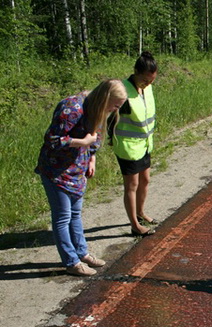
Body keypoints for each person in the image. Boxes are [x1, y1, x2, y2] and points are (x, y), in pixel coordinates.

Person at [35, 79, 127, 277]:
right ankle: (71, 262)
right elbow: (52, 140)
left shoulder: (98, 109)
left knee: (75, 214)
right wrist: (82, 142)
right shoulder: (72, 107)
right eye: (115, 105)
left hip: (77, 170)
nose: (115, 110)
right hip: (56, 171)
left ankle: (82, 253)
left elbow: (96, 135)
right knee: (62, 217)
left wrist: (91, 157)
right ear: (105, 98)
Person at [111, 51, 159, 237]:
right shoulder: (122, 90)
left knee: (145, 180)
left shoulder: (147, 87)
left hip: (145, 144)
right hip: (128, 146)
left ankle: (140, 213)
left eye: (152, 81)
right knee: (132, 185)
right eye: (146, 80)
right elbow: (108, 116)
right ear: (136, 72)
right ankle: (134, 226)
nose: (149, 84)